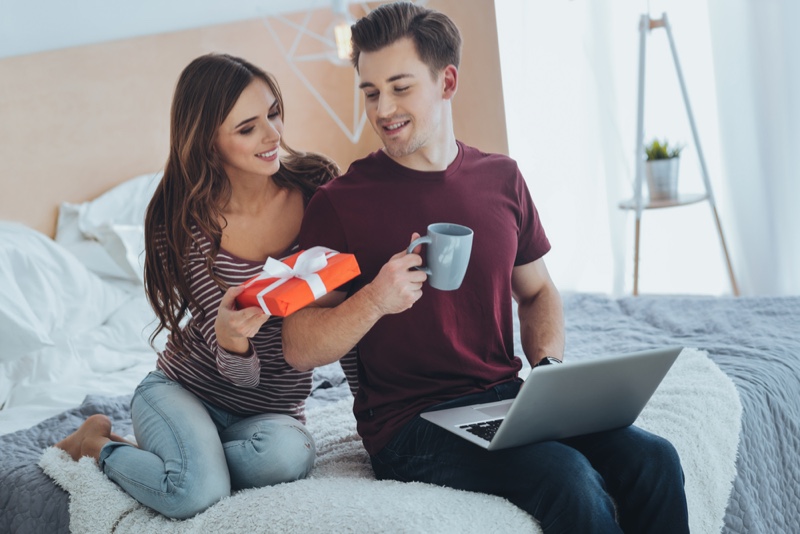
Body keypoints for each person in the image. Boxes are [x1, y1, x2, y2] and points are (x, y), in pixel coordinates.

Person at [281, 3, 690, 533]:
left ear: (446, 81)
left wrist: (547, 372)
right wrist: (375, 299)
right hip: (409, 426)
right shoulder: (341, 203)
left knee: (656, 460)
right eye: (371, 91)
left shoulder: (501, 179)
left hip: (506, 400)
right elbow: (298, 343)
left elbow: (538, 291)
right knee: (568, 477)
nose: (383, 109)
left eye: (400, 88)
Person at [55, 53, 340, 519]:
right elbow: (240, 374)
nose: (273, 135)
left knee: (291, 456)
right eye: (247, 128)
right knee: (195, 494)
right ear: (210, 142)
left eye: (273, 112)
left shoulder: (318, 186)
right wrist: (232, 340)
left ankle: (189, 464)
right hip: (184, 392)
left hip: (271, 417)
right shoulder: (183, 224)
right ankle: (96, 445)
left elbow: (346, 292)